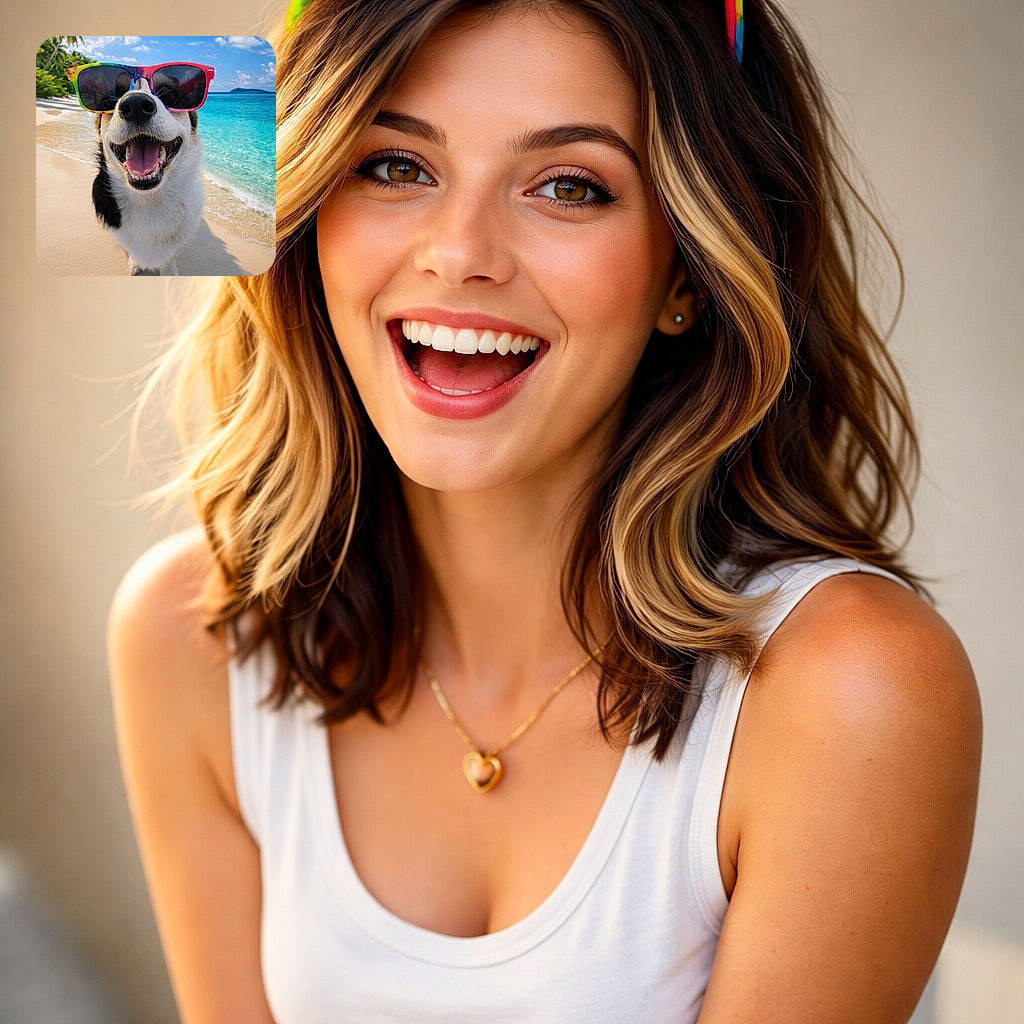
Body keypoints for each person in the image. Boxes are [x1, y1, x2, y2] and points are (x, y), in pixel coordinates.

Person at [108, 1, 982, 1021]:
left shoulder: (853, 687)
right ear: (300, 219)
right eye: (394, 166)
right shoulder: (188, 635)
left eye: (569, 186)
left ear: (689, 272)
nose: (460, 251)